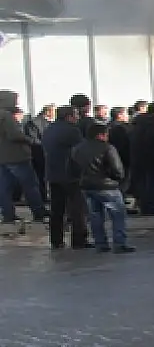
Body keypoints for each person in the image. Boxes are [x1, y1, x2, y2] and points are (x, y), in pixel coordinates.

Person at [69, 123, 133, 253]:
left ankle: (100, 243)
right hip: (107, 186)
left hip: (86, 186)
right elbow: (118, 170)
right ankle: (120, 243)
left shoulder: (77, 149)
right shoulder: (108, 148)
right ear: (101, 135)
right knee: (118, 215)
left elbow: (71, 169)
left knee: (95, 216)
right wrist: (118, 179)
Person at [41, 106, 90, 249]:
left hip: (52, 173)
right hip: (70, 174)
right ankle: (79, 239)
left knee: (56, 209)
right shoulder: (72, 130)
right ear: (69, 116)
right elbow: (80, 151)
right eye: (75, 115)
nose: (77, 118)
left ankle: (56, 240)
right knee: (77, 208)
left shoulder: (49, 129)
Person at [0, 90, 47, 223]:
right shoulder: (6, 116)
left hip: (2, 157)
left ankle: (8, 215)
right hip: (16, 156)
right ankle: (38, 212)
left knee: (4, 187)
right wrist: (31, 141)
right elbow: (15, 135)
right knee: (30, 185)